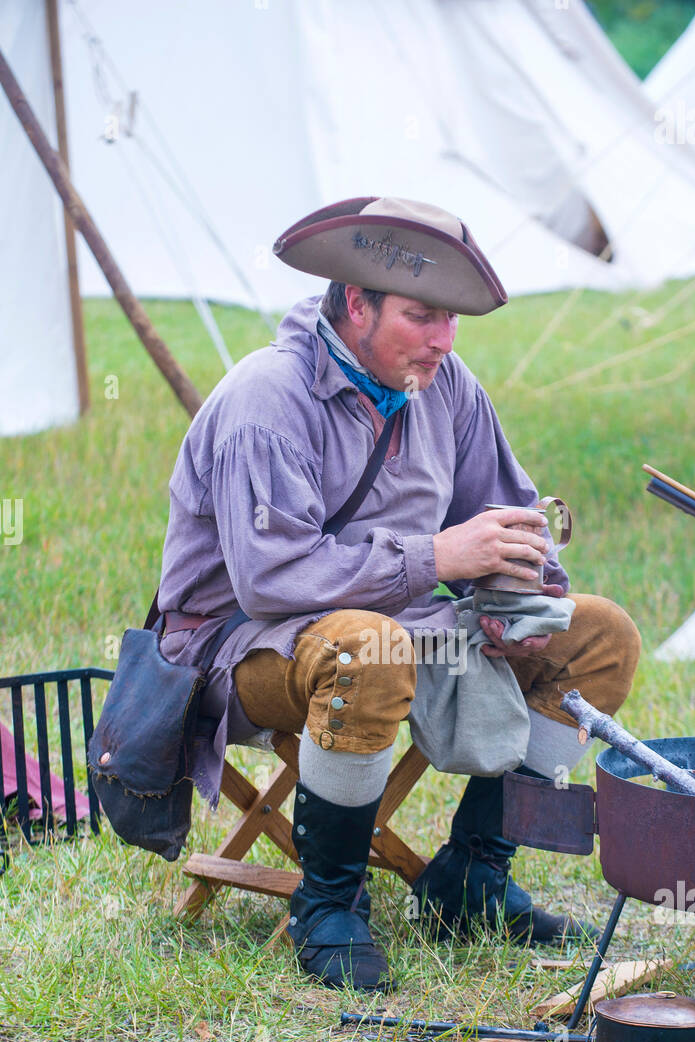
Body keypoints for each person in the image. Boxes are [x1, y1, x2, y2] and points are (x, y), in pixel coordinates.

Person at [157, 196, 641, 991]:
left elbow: (507, 514)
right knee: (368, 645)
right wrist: (438, 554)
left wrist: (516, 592)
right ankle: (329, 903)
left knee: (599, 634)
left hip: (400, 627)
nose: (443, 342)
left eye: (452, 321)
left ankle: (475, 880)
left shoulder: (446, 385)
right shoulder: (265, 402)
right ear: (356, 303)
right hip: (239, 644)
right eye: (422, 317)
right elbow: (273, 579)